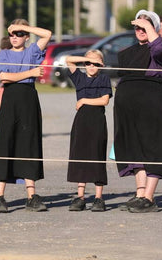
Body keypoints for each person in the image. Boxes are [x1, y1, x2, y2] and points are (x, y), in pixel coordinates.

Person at [113, 9, 162, 213]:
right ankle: (139, 194)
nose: (140, 30)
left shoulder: (159, 49)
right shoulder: (129, 52)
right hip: (128, 108)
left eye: (144, 26)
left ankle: (149, 197)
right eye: (136, 27)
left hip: (151, 104)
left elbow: (158, 46)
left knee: (154, 147)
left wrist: (148, 26)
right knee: (135, 148)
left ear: (153, 28)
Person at [0, 19, 52, 213]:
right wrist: (31, 71)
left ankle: (31, 195)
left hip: (28, 98)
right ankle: (0, 197)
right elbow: (4, 77)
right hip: (10, 98)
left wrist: (23, 27)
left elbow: (47, 34)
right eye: (12, 34)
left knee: (28, 143)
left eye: (19, 34)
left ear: (26, 36)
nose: (15, 37)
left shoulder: (32, 51)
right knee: (6, 141)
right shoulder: (4, 54)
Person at [64, 50, 112, 212]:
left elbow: (104, 100)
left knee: (96, 156)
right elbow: (69, 59)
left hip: (97, 121)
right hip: (81, 122)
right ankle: (80, 196)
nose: (92, 66)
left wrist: (84, 100)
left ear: (102, 65)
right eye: (88, 64)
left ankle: (98, 198)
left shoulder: (104, 79)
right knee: (80, 156)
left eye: (96, 64)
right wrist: (87, 58)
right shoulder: (80, 78)